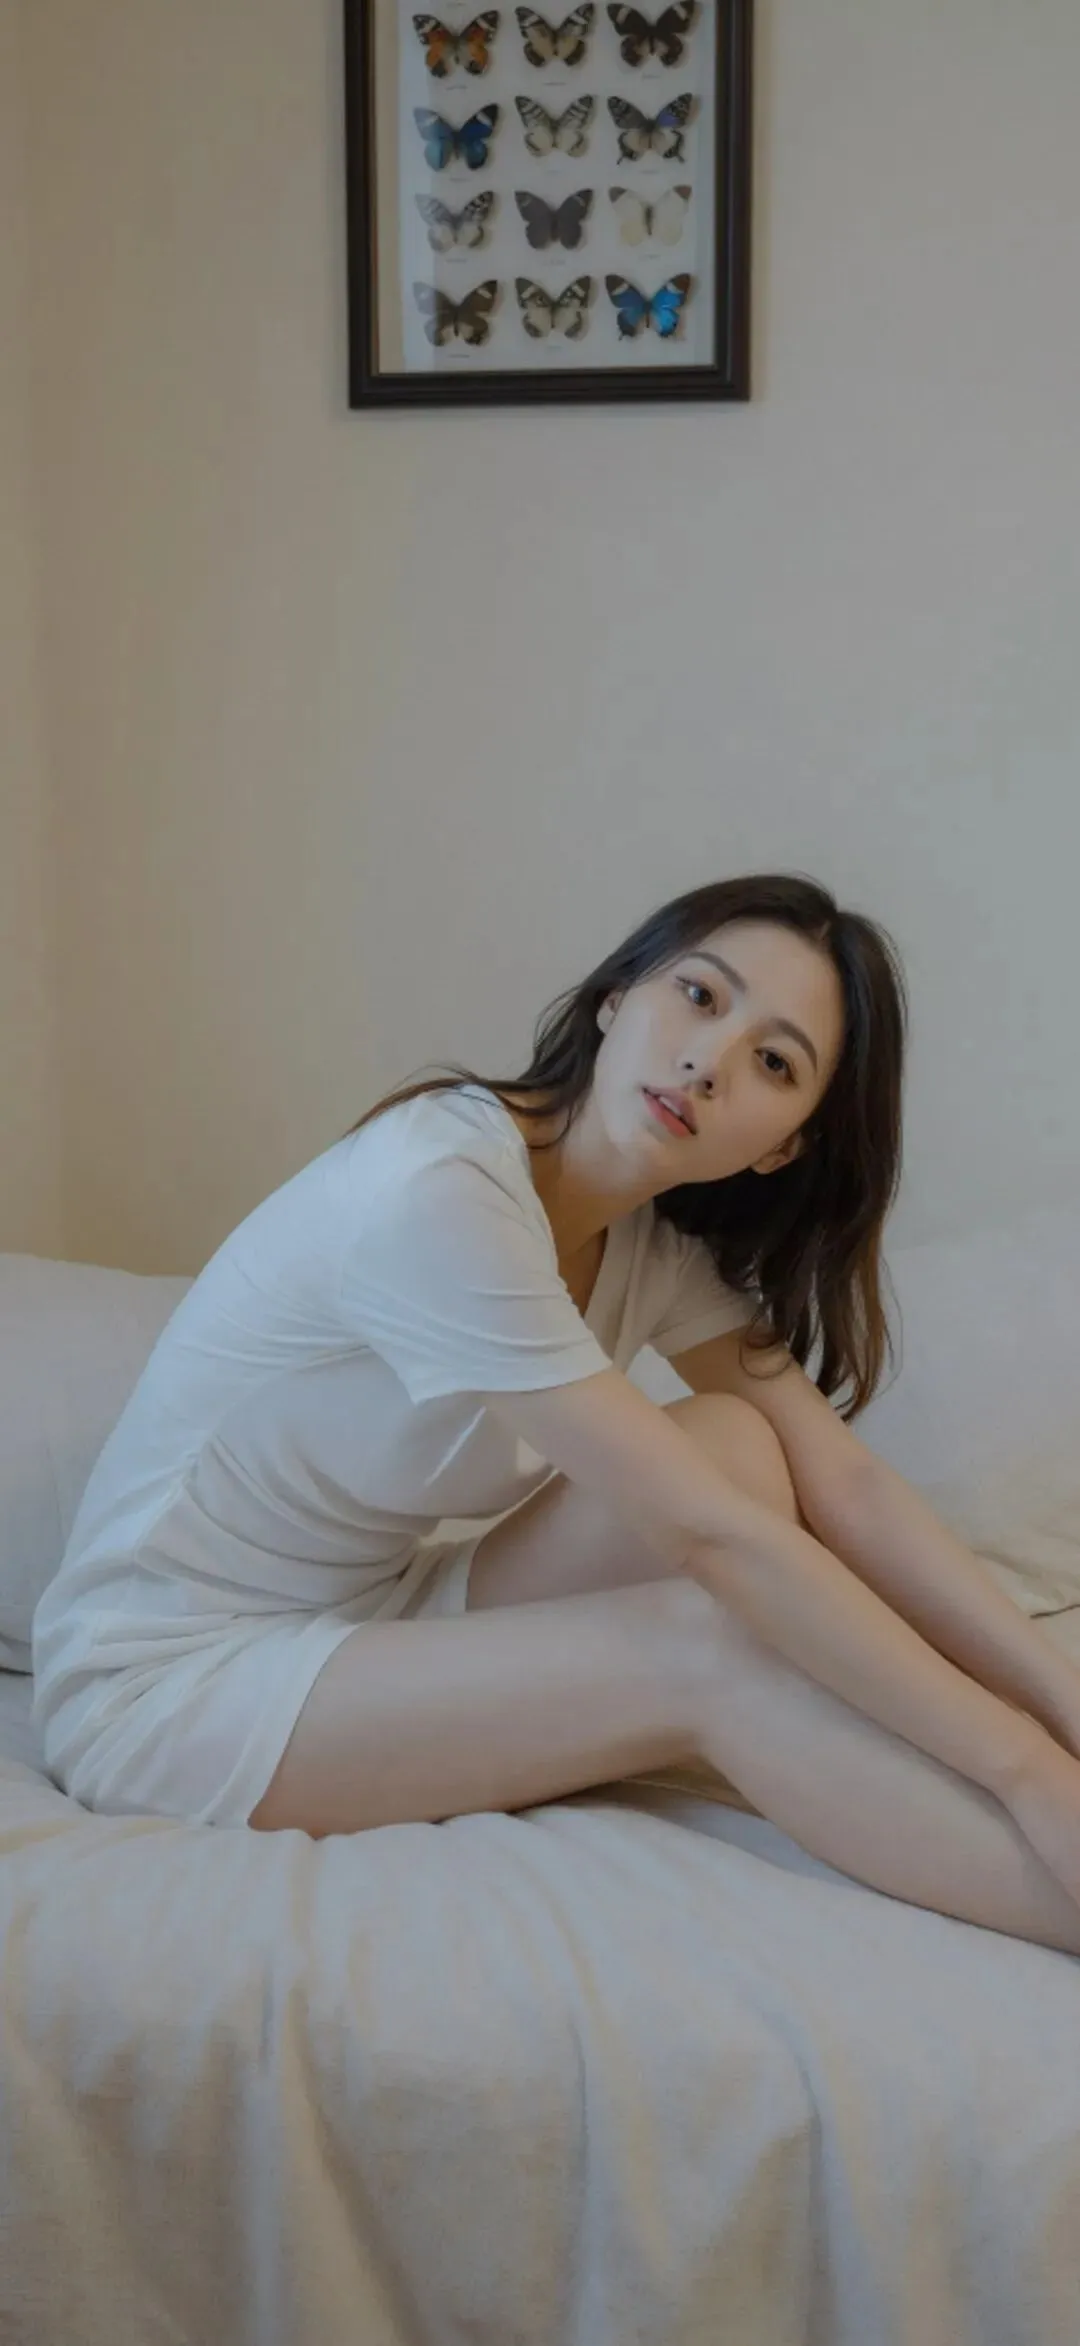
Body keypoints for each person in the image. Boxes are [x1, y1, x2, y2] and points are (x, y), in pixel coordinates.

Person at [30, 874, 1080, 1952]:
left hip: (370, 1619)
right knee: (708, 1641)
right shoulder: (440, 1190)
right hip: (163, 1691)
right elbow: (708, 1540)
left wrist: (1060, 1706)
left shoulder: (650, 1248)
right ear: (617, 998)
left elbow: (844, 1482)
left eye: (774, 1063)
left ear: (784, 1145)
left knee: (737, 1444)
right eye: (699, 996)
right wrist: (1021, 1768)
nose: (707, 1062)